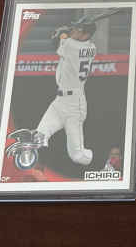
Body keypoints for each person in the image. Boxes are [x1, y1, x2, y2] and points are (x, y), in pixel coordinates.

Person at [7, 17, 98, 169]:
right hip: (60, 101)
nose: (75, 31)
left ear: (86, 35)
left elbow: (58, 40)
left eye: (79, 30)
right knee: (40, 134)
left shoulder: (71, 46)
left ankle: (100, 161)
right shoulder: (91, 47)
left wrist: (63, 33)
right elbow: (66, 38)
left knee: (77, 156)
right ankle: (28, 155)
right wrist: (68, 32)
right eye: (76, 29)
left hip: (75, 106)